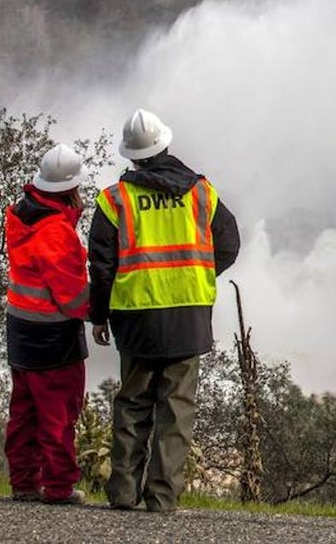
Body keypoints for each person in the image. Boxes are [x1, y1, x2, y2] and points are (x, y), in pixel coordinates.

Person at [88, 108, 240, 513]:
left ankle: (122, 493)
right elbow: (228, 245)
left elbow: (101, 268)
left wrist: (98, 316)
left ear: (132, 156)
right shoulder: (202, 193)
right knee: (176, 410)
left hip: (135, 316)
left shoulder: (114, 200)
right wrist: (195, 275)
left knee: (133, 403)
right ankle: (162, 499)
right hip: (188, 318)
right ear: (166, 145)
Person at [4, 143, 90, 506]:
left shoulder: (22, 215)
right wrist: (101, 308)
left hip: (21, 329)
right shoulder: (55, 230)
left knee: (23, 411)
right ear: (70, 188)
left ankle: (24, 482)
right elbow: (72, 298)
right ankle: (58, 487)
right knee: (58, 413)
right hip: (52, 337)